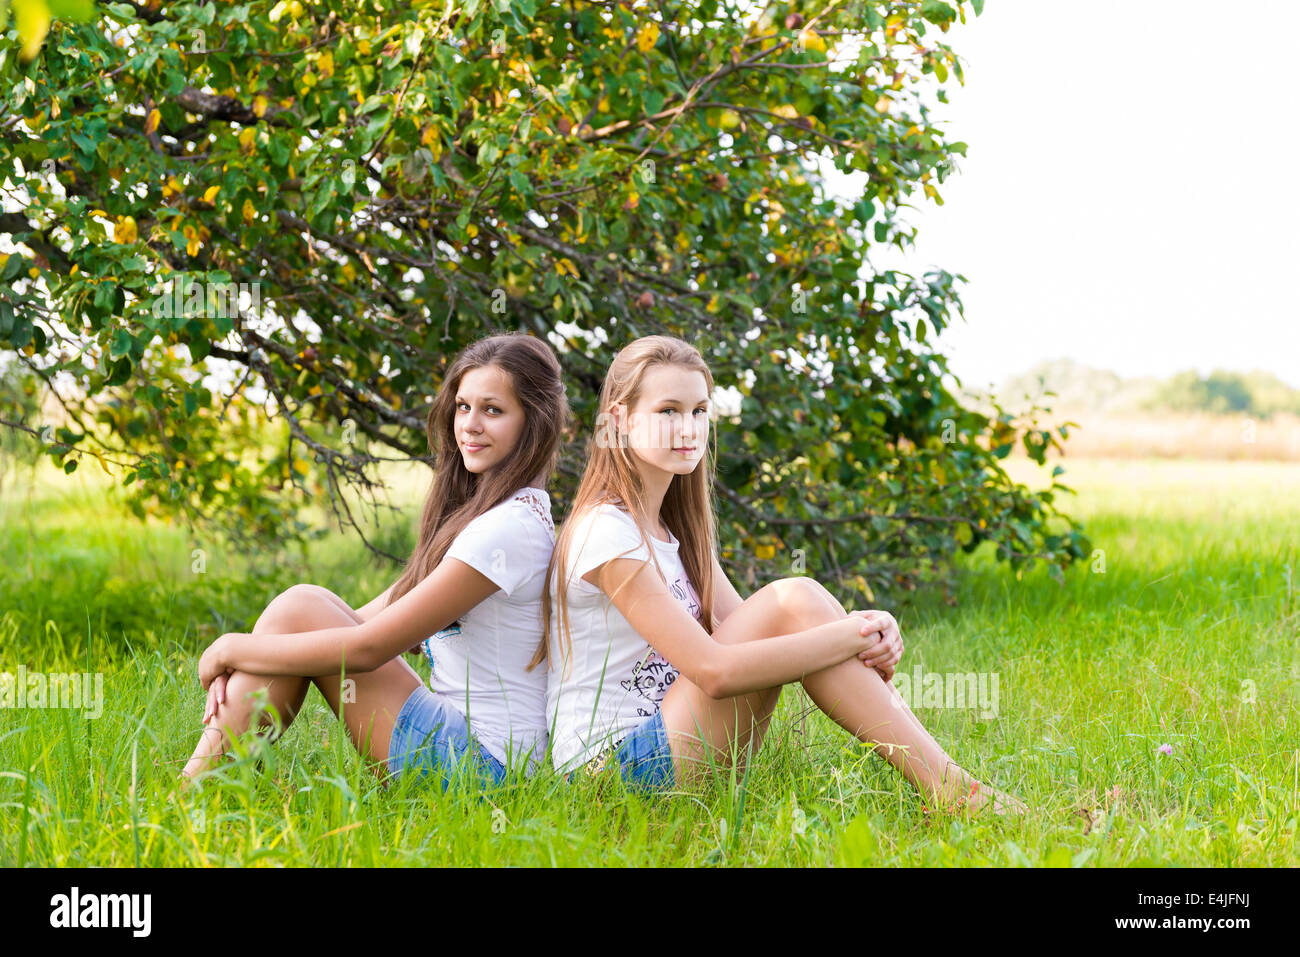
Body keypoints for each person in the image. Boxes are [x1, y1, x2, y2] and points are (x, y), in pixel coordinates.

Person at [536, 335, 1025, 815]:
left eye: (700, 411)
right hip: (607, 777)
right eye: (668, 411)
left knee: (800, 603)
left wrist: (863, 629)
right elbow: (716, 670)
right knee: (795, 598)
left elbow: (752, 626)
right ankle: (954, 791)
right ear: (619, 418)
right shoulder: (604, 532)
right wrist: (851, 635)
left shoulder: (672, 530)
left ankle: (953, 789)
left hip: (669, 748)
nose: (688, 428)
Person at [182, 332, 569, 790]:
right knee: (300, 613)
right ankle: (210, 781)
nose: (469, 424)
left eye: (493, 410)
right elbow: (352, 627)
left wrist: (230, 648)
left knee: (300, 605)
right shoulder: (500, 517)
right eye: (463, 407)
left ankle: (196, 788)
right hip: (474, 756)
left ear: (534, 423)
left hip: (483, 772)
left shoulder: (508, 530)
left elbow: (366, 650)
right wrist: (257, 653)